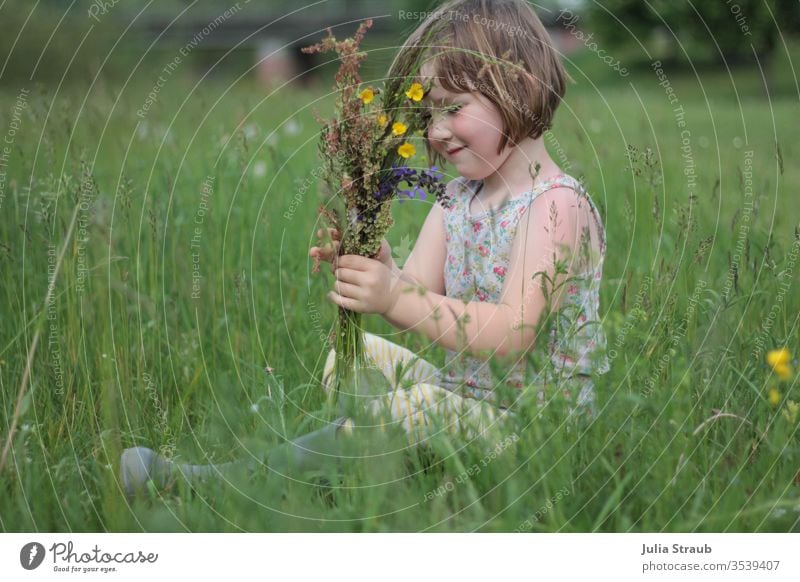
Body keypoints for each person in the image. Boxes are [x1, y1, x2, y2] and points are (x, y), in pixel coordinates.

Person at [120, 0, 609, 499]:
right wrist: (380, 274)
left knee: (417, 406)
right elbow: (416, 295)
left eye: (453, 108)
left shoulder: (555, 205)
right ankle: (394, 470)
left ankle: (224, 487)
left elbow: (514, 332)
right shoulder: (458, 198)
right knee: (352, 360)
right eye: (428, 111)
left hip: (537, 430)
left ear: (522, 85)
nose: (436, 130)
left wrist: (394, 297)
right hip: (471, 398)